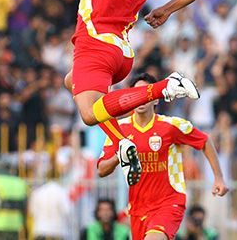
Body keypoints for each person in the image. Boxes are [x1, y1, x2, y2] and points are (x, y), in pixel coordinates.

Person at [5, 0, 210, 185]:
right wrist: (166, 10)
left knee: (89, 114)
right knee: (71, 82)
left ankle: (164, 87)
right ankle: (122, 142)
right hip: (122, 52)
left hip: (94, 44)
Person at [96, 73, 228, 240]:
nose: (140, 99)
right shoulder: (119, 129)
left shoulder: (171, 126)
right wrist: (119, 155)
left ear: (156, 99)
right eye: (135, 94)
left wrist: (219, 178)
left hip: (169, 203)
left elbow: (204, 141)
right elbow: (101, 170)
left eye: (145, 93)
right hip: (137, 208)